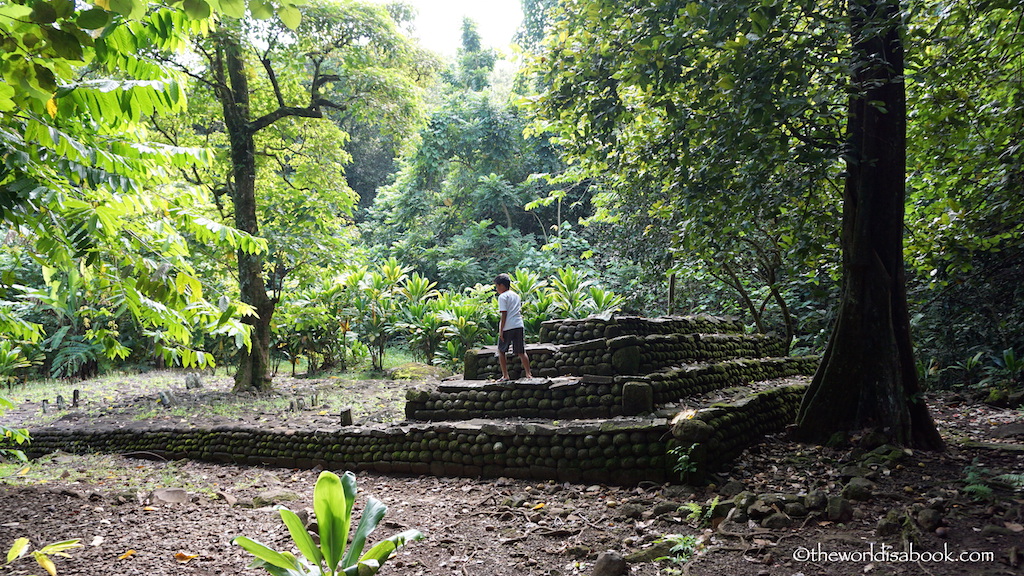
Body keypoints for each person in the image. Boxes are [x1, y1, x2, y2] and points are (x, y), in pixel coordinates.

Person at [494, 273, 532, 380]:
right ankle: (528, 374)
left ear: (501, 285)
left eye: (497, 286)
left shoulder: (502, 297)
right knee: (521, 351)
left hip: (508, 326)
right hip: (519, 325)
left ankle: (505, 375)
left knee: (501, 351)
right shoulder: (516, 295)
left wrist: (501, 331)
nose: (497, 289)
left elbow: (504, 314)